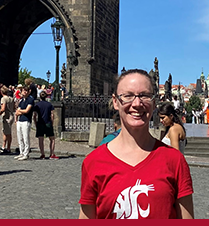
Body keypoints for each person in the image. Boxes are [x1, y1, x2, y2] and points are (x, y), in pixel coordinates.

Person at [79, 69, 194, 219]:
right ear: (115, 102)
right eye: (128, 96)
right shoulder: (93, 162)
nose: (137, 103)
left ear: (154, 102)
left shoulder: (175, 160)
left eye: (144, 96)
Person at [34, 94, 58, 159]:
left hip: (40, 123)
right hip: (48, 122)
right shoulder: (49, 104)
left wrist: (35, 123)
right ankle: (51, 153)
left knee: (41, 139)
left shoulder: (37, 105)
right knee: (52, 139)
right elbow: (52, 115)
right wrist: (52, 122)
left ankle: (42, 154)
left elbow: (35, 115)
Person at [14, 89, 36, 160]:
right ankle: (21, 152)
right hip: (20, 120)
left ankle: (26, 153)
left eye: (26, 91)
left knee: (26, 137)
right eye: (23, 91)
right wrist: (19, 113)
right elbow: (17, 112)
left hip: (26, 120)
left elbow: (27, 111)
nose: (24, 92)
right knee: (20, 137)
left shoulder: (30, 100)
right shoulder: (22, 100)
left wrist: (20, 111)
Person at [0, 87, 17, 154]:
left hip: (6, 116)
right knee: (6, 132)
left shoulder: (3, 99)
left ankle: (7, 148)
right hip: (11, 116)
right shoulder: (11, 98)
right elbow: (14, 107)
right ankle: (5, 146)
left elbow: (3, 108)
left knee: (7, 133)